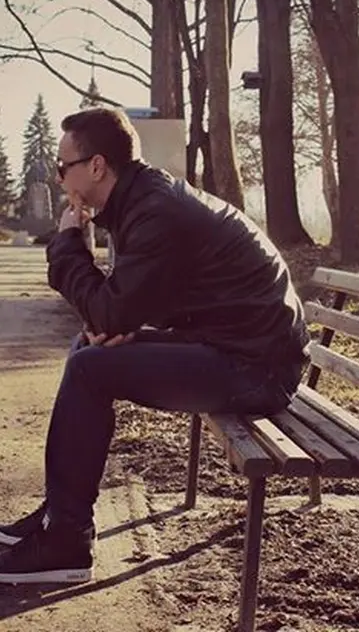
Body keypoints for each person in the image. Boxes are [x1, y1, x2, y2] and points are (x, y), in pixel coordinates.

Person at [0, 108, 310, 584]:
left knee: (89, 369)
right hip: (236, 346)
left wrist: (69, 242)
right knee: (87, 350)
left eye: (63, 167)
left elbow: (108, 310)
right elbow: (121, 305)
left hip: (256, 369)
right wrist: (115, 320)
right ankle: (61, 516)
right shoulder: (143, 202)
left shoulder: (155, 211)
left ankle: (66, 543)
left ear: (96, 166)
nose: (59, 178)